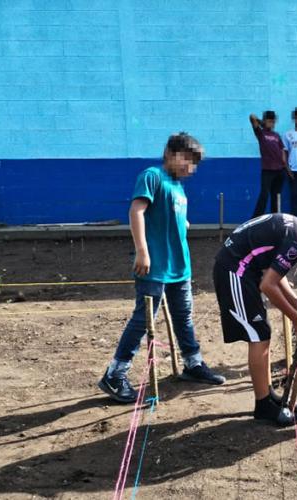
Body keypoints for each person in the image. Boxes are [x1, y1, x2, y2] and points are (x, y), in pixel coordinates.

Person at [98, 133, 225, 404]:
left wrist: (183, 223)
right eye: (187, 160)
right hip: (154, 267)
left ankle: (193, 364)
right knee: (143, 321)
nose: (190, 168)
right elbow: (137, 212)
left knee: (184, 317)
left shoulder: (177, 186)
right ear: (170, 152)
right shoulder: (151, 175)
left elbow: (170, 214)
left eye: (194, 164)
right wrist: (143, 252)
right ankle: (115, 374)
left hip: (179, 266)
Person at [212, 213, 297, 426]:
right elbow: (268, 284)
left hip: (243, 270)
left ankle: (266, 395)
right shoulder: (296, 242)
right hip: (235, 271)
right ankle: (263, 405)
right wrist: (296, 318)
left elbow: (275, 272)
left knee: (262, 333)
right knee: (259, 335)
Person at [250, 111, 293, 217]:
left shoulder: (277, 135)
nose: (272, 123)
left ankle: (275, 218)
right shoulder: (260, 133)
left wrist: (286, 167)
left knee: (276, 196)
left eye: (273, 121)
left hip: (280, 170)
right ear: (265, 121)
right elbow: (252, 116)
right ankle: (256, 219)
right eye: (269, 121)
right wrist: (262, 123)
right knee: (264, 195)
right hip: (267, 170)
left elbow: (282, 150)